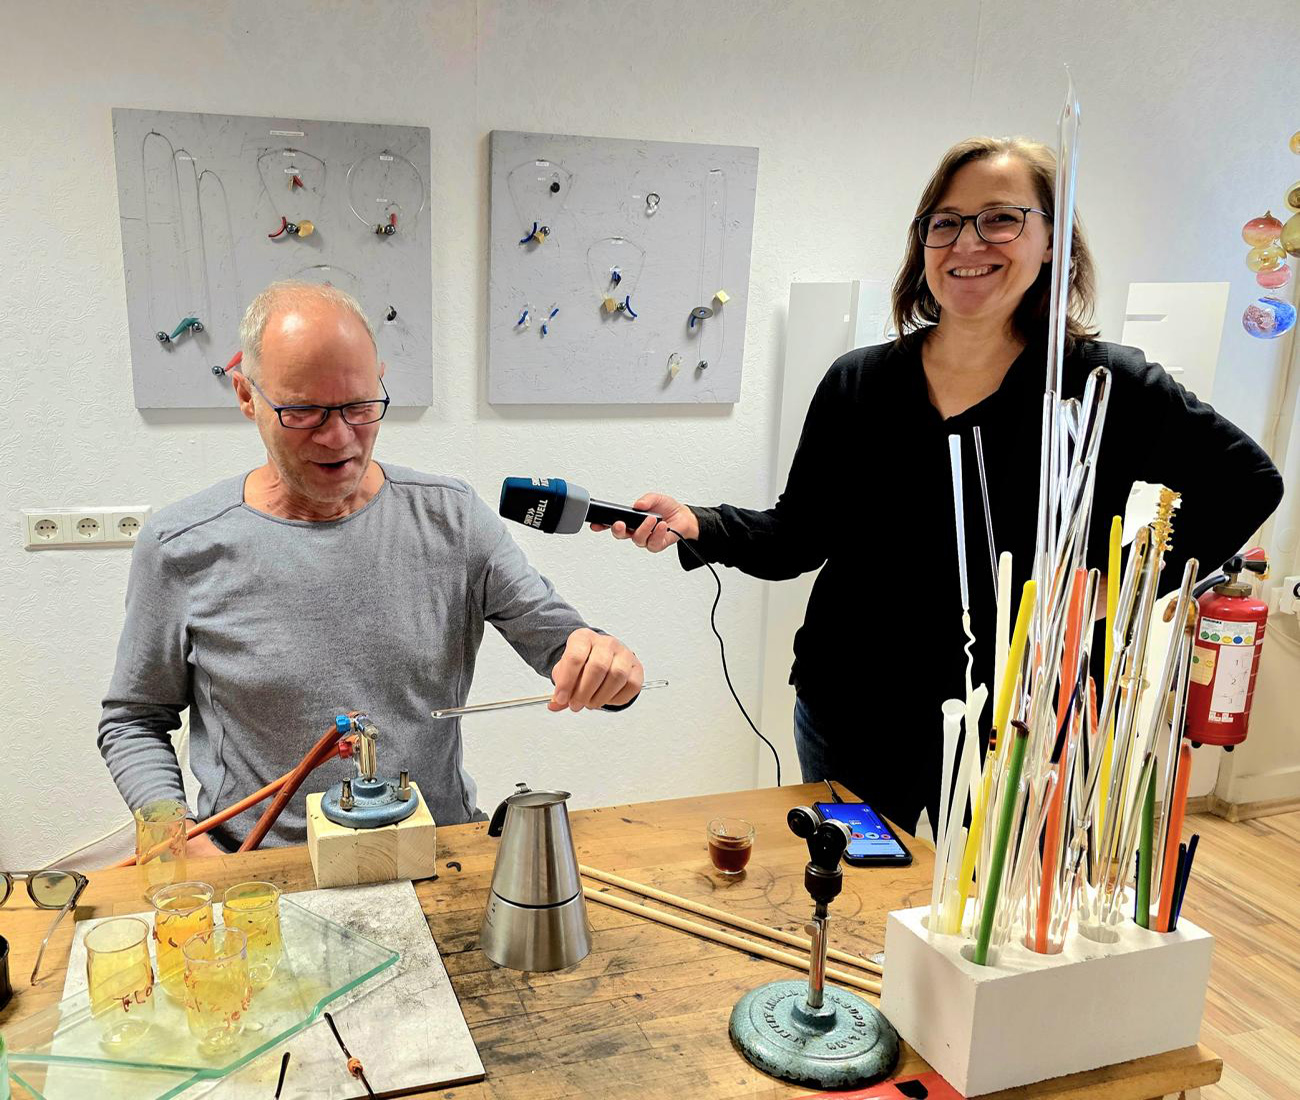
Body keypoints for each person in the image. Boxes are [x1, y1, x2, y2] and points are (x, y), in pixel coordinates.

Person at [597, 136, 1283, 835]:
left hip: (1021, 716)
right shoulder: (859, 383)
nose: (967, 242)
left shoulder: (1106, 386)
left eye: (1001, 218)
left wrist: (1119, 587)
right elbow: (799, 536)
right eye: (945, 222)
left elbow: (1248, 482)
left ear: (1052, 240)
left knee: (988, 906)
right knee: (854, 890)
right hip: (853, 708)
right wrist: (701, 524)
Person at [99, 281, 643, 852]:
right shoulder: (180, 546)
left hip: (436, 853)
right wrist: (173, 834)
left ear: (380, 381)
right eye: (304, 411)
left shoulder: (453, 518)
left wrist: (606, 665)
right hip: (261, 873)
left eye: (359, 406)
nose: (339, 438)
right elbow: (133, 720)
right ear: (246, 396)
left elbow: (567, 646)